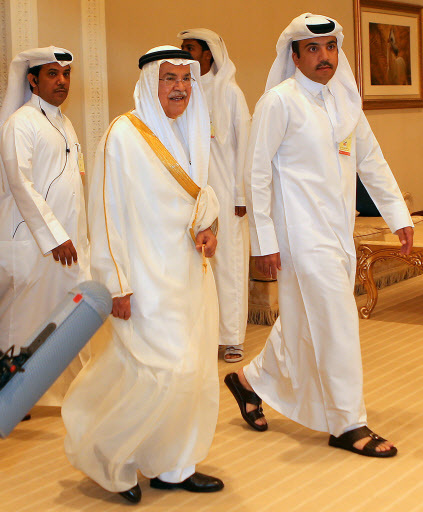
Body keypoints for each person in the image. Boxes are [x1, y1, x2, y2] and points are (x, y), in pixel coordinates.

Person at [225, 13, 414, 458]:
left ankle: (248, 380)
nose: (324, 56)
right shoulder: (279, 102)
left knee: (305, 322)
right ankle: (347, 423)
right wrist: (264, 242)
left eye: (330, 47)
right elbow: (256, 174)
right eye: (313, 48)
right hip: (300, 235)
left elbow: (372, 162)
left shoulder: (345, 102)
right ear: (294, 55)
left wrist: (398, 215)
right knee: (338, 322)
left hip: (339, 232)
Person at [61, 46, 223, 504]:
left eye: (186, 79)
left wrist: (209, 230)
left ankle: (175, 465)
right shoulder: (124, 135)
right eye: (168, 79)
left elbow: (201, 198)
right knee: (156, 372)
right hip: (144, 280)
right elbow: (106, 212)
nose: (179, 88)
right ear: (150, 83)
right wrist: (115, 283)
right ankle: (107, 456)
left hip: (190, 275)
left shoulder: (188, 131)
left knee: (191, 371)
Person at [0, 46, 90, 406]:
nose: (62, 81)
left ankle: (65, 394)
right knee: (23, 323)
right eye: (52, 74)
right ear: (33, 80)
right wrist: (54, 236)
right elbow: (21, 183)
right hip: (35, 242)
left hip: (66, 244)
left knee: (68, 319)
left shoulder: (63, 122)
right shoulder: (21, 122)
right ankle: (9, 397)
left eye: (66, 74)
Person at [178, 29, 250, 363]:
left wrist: (241, 194)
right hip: (193, 193)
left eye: (189, 49)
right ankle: (205, 334)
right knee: (197, 263)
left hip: (227, 191)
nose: (184, 53)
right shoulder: (183, 93)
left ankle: (232, 338)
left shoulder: (230, 93)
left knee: (229, 265)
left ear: (208, 55)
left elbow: (244, 147)